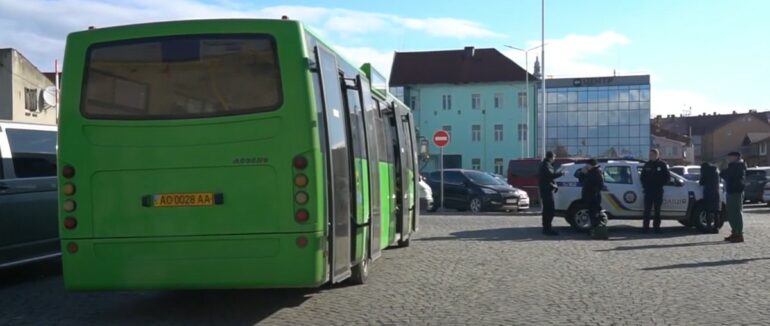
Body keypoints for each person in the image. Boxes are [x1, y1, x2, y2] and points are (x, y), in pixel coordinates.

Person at [640, 149, 670, 233]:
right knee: (647, 210)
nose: (651, 156)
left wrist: (660, 184)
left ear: (657, 155)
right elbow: (642, 177)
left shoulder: (662, 164)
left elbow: (667, 177)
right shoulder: (647, 164)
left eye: (652, 155)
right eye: (650, 155)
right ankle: (645, 228)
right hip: (648, 191)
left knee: (657, 210)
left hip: (658, 191)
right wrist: (645, 186)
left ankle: (657, 228)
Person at [720, 152, 747, 243]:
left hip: (736, 191)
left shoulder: (737, 165)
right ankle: (735, 232)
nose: (728, 158)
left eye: (730, 157)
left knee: (736, 213)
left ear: (736, 157)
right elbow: (725, 175)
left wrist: (723, 169)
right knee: (731, 213)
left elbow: (727, 175)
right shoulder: (733, 165)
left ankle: (739, 234)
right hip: (731, 190)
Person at [576, 159, 606, 239]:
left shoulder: (597, 172)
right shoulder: (590, 172)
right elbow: (581, 180)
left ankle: (597, 232)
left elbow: (600, 185)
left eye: (587, 165)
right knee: (592, 214)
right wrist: (582, 173)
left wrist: (593, 191)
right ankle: (593, 231)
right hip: (589, 196)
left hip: (594, 197)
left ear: (591, 165)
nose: (586, 167)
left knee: (595, 214)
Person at [539, 151, 564, 236]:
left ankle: (546, 228)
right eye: (554, 157)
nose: (554, 159)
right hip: (546, 191)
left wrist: (554, 185)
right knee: (549, 210)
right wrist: (561, 173)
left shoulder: (546, 164)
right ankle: (547, 229)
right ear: (550, 157)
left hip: (546, 190)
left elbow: (549, 178)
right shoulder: (546, 165)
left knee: (548, 210)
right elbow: (551, 175)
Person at [699, 162, 721, 233]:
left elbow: (701, 182)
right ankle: (716, 228)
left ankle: (709, 227)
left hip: (708, 192)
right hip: (716, 192)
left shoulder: (705, 171)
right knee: (716, 211)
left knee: (708, 210)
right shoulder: (716, 170)